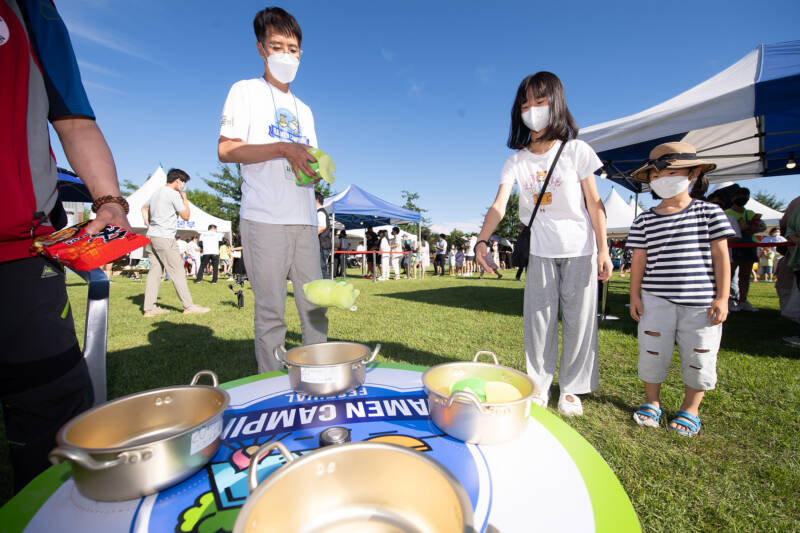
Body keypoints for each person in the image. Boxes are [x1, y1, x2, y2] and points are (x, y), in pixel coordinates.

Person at [0, 0, 135, 491]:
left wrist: (111, 201)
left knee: (54, 424)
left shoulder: (31, 8)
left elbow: (74, 119)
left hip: (21, 255)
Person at [475, 71, 612, 416]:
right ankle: (538, 385)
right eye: (525, 103)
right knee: (538, 321)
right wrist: (481, 241)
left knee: (580, 321)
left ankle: (570, 389)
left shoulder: (577, 151)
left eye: (540, 101)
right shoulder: (516, 161)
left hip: (580, 248)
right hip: (539, 249)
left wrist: (605, 249)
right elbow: (498, 205)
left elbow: (595, 204)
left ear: (556, 104)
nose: (531, 109)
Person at [218, 7, 328, 373]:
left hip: (304, 221)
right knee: (270, 313)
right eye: (277, 45)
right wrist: (282, 148)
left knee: (315, 309)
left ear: (301, 53)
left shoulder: (305, 109)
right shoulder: (245, 91)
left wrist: (315, 169)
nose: (286, 54)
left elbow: (306, 162)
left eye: (293, 48)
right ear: (261, 49)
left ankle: (318, 377)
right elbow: (226, 149)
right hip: (263, 218)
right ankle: (271, 388)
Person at [627, 142, 734, 436]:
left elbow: (721, 255)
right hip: (654, 299)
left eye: (672, 172)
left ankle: (691, 408)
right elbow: (639, 259)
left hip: (700, 303)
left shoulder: (710, 213)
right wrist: (634, 295)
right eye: (656, 175)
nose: (662, 179)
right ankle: (652, 402)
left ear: (694, 172)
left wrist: (722, 297)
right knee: (651, 351)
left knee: (700, 354)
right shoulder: (644, 219)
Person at [142, 169, 210, 317]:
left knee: (155, 272)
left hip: (151, 236)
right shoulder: (173, 194)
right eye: (184, 182)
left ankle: (149, 309)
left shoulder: (157, 192)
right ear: (178, 181)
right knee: (178, 271)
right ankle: (188, 306)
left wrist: (149, 225)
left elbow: (144, 207)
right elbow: (186, 215)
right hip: (165, 238)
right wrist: (184, 198)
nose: (184, 185)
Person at [725, 187, 765, 312]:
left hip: (748, 245)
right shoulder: (727, 213)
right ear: (733, 198)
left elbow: (762, 226)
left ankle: (743, 300)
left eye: (746, 195)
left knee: (745, 275)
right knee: (728, 274)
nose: (743, 198)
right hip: (733, 247)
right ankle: (728, 300)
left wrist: (754, 228)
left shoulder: (750, 213)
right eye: (740, 195)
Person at [316, 192, 332, 278]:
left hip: (322, 244)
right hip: (323, 244)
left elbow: (322, 227)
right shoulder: (321, 212)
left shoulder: (320, 212)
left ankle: (329, 288)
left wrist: (311, 236)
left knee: (321, 268)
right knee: (321, 268)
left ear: (316, 200)